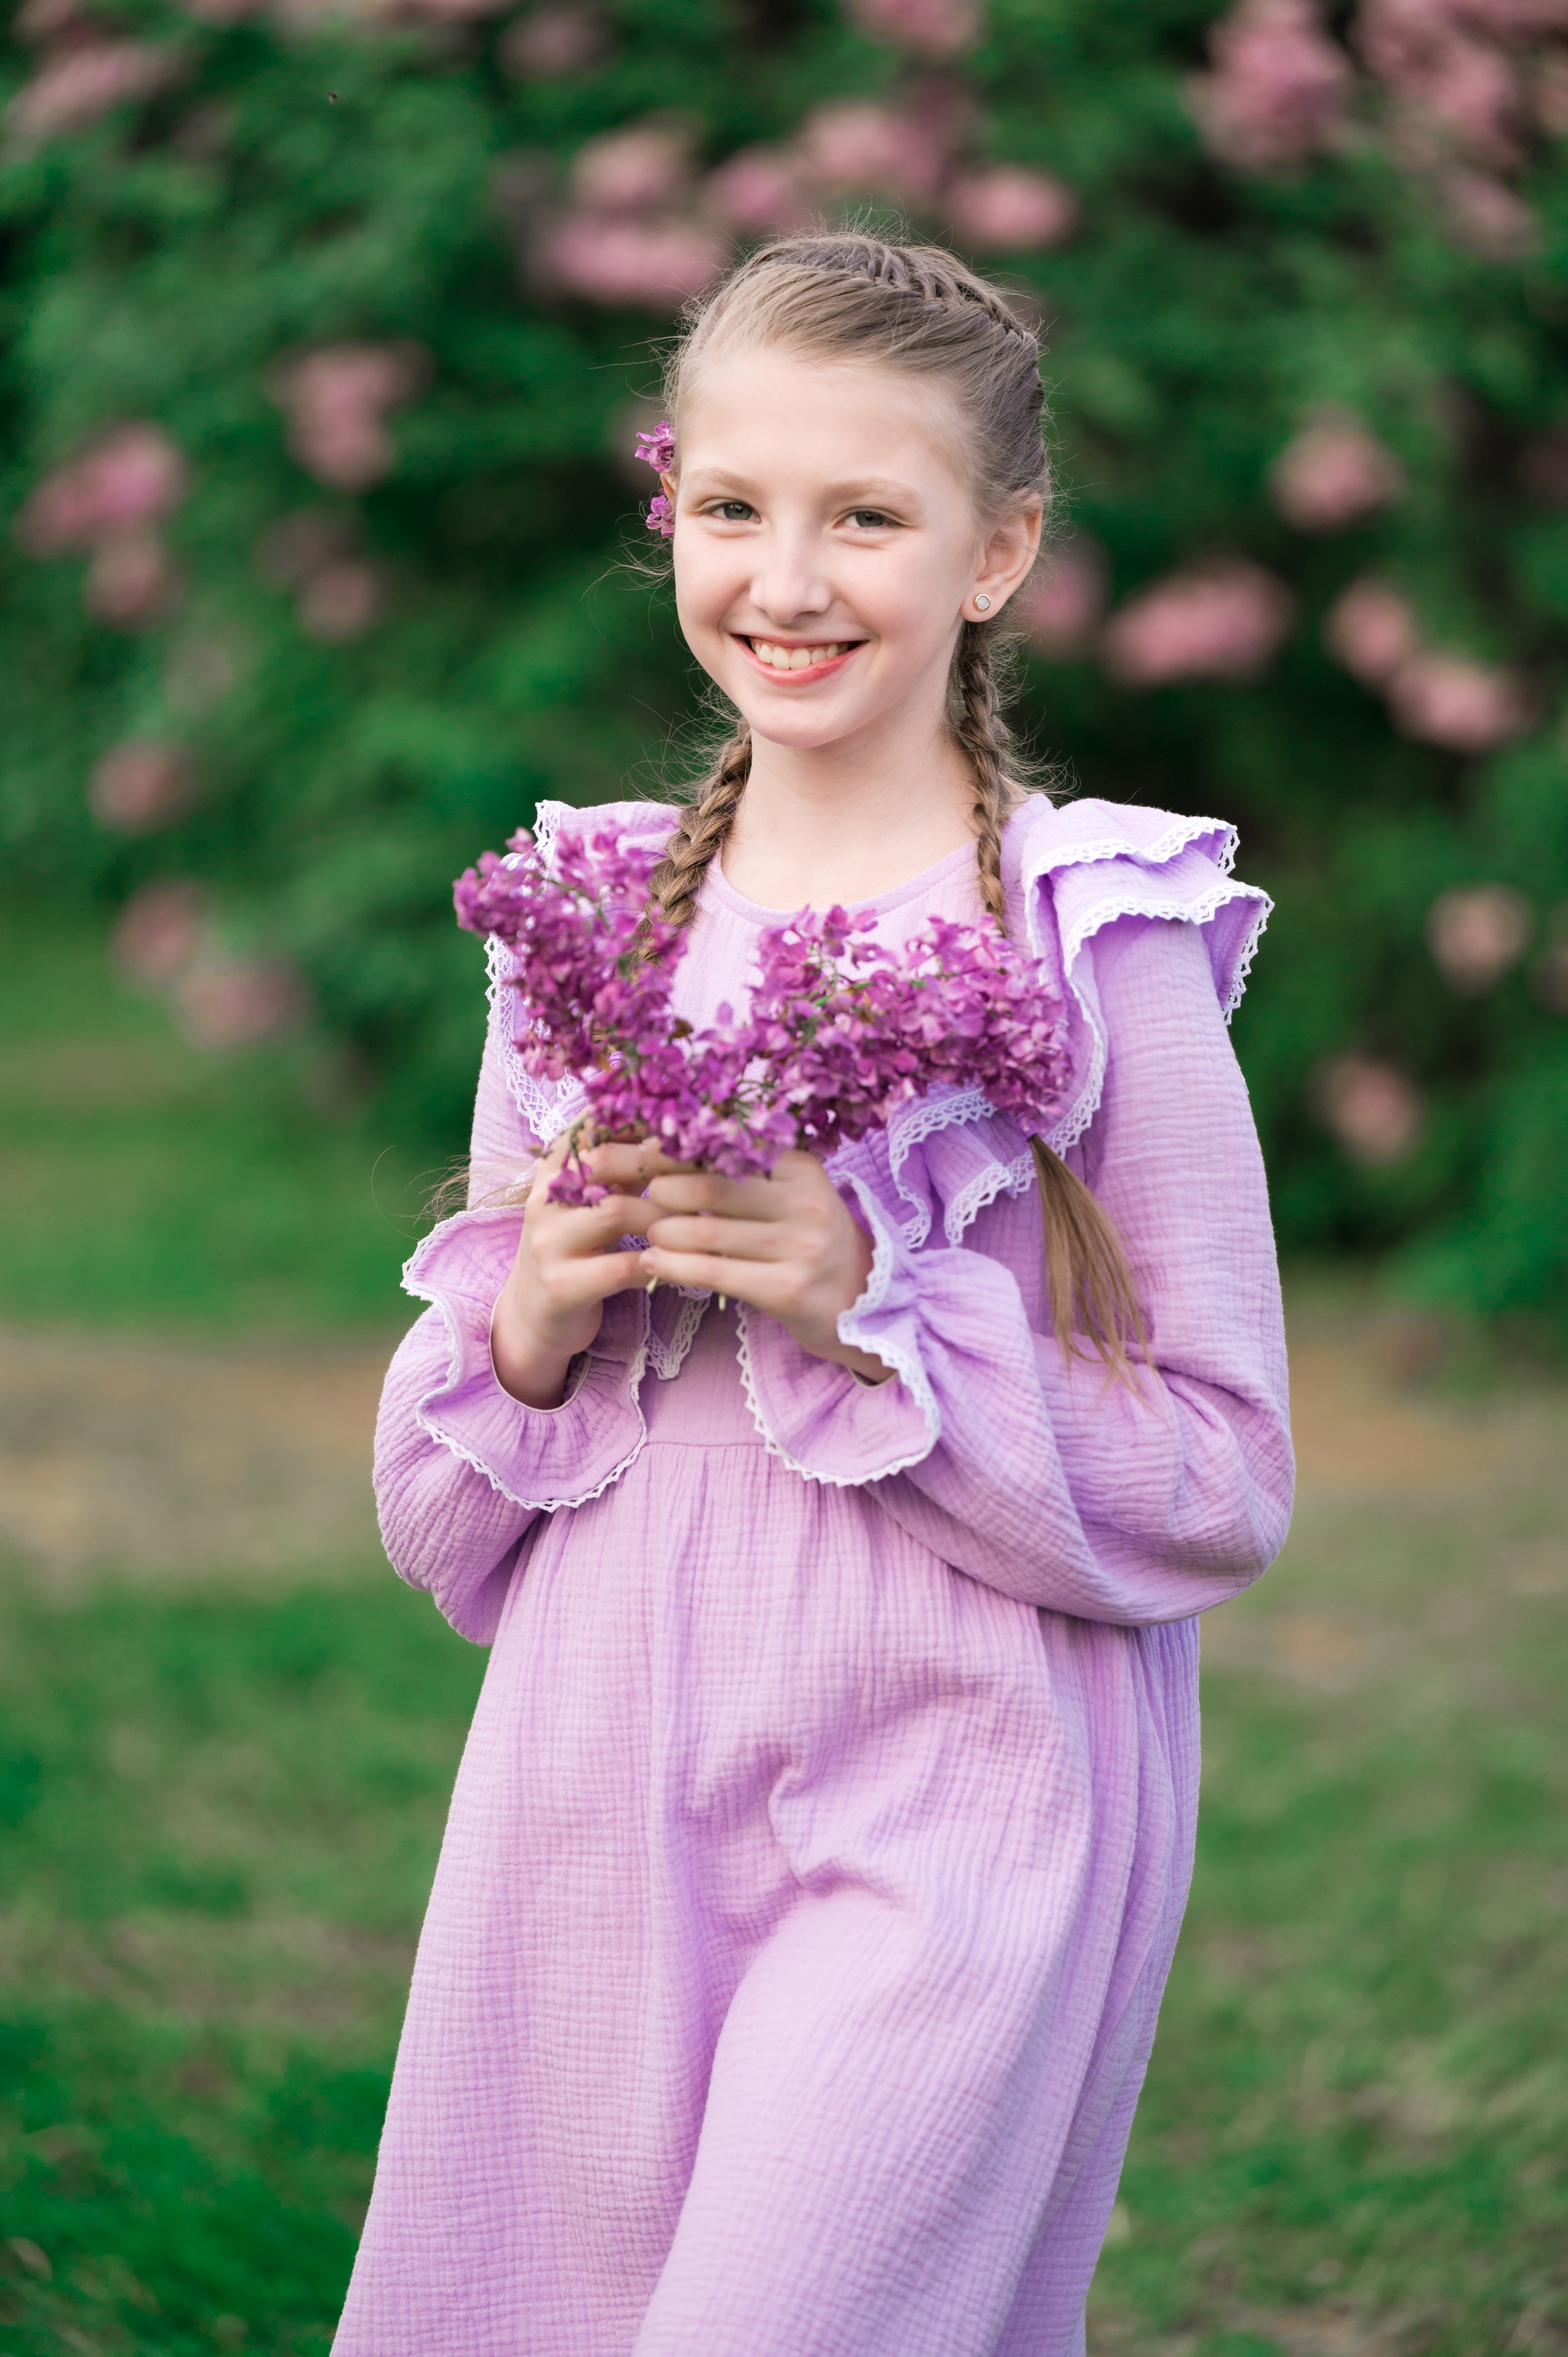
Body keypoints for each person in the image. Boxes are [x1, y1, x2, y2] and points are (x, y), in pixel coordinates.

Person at [334, 233, 1293, 2357]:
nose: (790, 575)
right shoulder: (579, 922)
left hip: (962, 1765)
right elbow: (443, 1525)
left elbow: (1227, 1476)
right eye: (737, 506)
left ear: (999, 549)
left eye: (870, 515)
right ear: (670, 509)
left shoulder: (1094, 933)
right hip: (602, 1754)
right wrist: (531, 1318)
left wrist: (881, 1303)